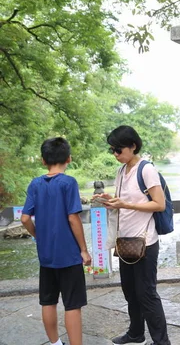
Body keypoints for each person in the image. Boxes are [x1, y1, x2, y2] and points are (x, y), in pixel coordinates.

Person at [93, 125, 171, 345]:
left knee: (147, 294)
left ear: (133, 146)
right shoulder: (121, 171)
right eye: (112, 151)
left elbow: (159, 204)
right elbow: (123, 203)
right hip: (125, 241)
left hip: (145, 242)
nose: (116, 155)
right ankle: (136, 333)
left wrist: (125, 203)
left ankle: (162, 342)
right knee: (130, 292)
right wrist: (110, 199)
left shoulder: (146, 169)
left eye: (118, 150)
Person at [21, 137, 92, 345]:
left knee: (48, 300)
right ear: (68, 158)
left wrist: (38, 236)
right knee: (72, 305)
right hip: (68, 255)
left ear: (43, 161)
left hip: (46, 256)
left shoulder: (35, 184)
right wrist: (84, 250)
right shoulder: (69, 183)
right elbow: (73, 217)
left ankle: (54, 343)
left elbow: (25, 218)